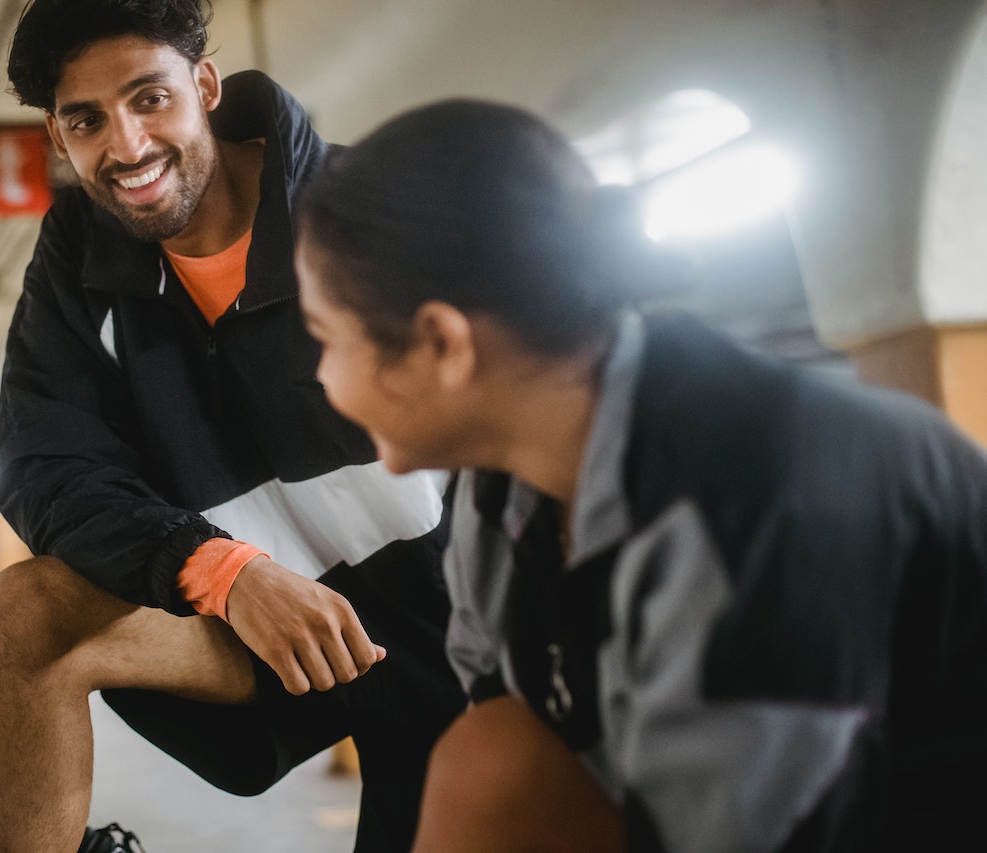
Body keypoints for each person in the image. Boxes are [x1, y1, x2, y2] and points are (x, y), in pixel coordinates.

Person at [294, 99, 987, 851]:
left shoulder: (750, 509)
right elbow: (499, 732)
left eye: (327, 339)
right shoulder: (499, 490)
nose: (323, 379)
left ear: (442, 343)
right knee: (489, 754)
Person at [0, 2, 465, 851]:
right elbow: (48, 470)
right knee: (30, 608)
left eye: (148, 98)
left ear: (204, 85)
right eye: (87, 120)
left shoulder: (364, 215)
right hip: (263, 626)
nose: (126, 146)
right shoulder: (78, 272)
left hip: (453, 625)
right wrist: (220, 569)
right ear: (57, 133)